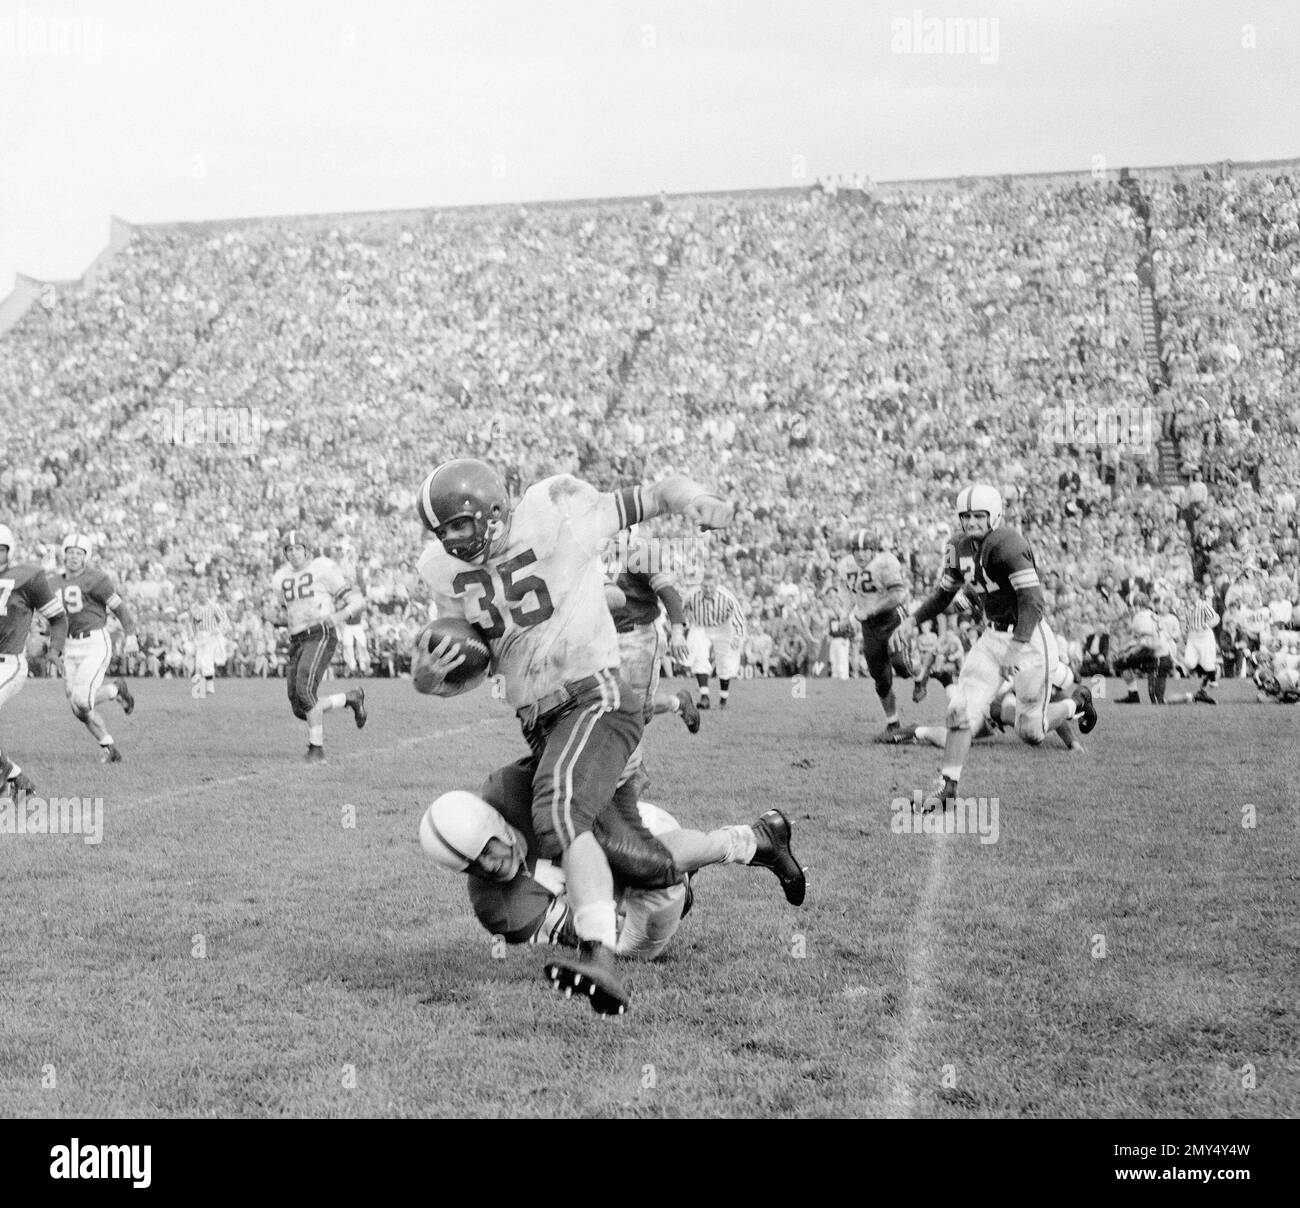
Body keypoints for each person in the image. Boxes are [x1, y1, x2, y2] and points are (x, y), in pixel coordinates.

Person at [412, 457, 734, 1015]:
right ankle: (754, 842)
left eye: (459, 525)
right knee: (634, 857)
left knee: (557, 813)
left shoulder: (552, 513)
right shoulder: (444, 573)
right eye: (441, 531)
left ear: (490, 509)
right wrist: (427, 679)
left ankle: (599, 956)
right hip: (539, 720)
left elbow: (653, 494)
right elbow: (474, 661)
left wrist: (694, 499)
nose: (450, 539)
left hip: (596, 696)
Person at [419, 756, 805, 962]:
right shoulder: (497, 909)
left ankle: (753, 841)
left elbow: (581, 761)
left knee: (637, 854)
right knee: (627, 932)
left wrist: (623, 783)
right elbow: (591, 929)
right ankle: (694, 873)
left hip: (637, 832)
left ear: (496, 824)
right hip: (622, 912)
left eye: (487, 850)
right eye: (472, 866)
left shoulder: (514, 787)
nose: (488, 866)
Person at [895, 484, 1097, 813]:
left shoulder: (1009, 544)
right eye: (966, 515)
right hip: (992, 637)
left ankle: (1078, 701)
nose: (972, 521)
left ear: (995, 516)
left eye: (979, 515)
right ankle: (948, 786)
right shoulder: (955, 546)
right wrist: (912, 620)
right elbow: (944, 595)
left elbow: (1033, 603)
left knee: (1031, 732)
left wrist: (1016, 648)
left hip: (1028, 639)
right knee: (959, 710)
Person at [271, 529, 367, 761]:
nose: (293, 554)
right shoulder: (280, 577)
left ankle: (316, 749)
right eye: (289, 549)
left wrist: (338, 616)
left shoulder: (322, 568)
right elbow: (288, 613)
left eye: (297, 548)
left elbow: (358, 601)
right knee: (299, 705)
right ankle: (350, 698)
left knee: (305, 692)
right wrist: (275, 619)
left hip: (320, 633)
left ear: (307, 549)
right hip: (297, 639)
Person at [604, 529, 698, 733]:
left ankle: (632, 764)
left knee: (637, 709)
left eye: (620, 529)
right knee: (611, 701)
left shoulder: (637, 557)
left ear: (629, 534)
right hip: (611, 637)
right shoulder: (601, 560)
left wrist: (678, 632)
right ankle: (678, 703)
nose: (613, 533)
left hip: (641, 635)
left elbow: (669, 592)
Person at [0, 523, 68, 795]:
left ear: (10, 551)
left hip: (9, 662)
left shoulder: (28, 576)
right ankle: (18, 779)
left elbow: (58, 618)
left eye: (0, 549)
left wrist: (54, 650)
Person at [58, 533, 136, 763]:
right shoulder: (53, 582)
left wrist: (130, 634)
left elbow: (119, 608)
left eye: (78, 553)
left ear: (86, 557)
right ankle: (109, 745)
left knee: (82, 700)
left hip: (94, 642)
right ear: (63, 554)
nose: (73, 557)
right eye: (70, 552)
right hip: (70, 644)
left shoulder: (97, 579)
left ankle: (115, 692)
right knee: (76, 704)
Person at [838, 530, 913, 738]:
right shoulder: (846, 567)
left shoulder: (886, 563)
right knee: (880, 678)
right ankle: (893, 723)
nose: (861, 554)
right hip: (869, 627)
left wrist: (870, 610)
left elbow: (897, 595)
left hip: (892, 620)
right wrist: (845, 616)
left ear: (874, 550)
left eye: (866, 549)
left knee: (903, 665)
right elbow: (847, 595)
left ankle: (938, 673)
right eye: (857, 550)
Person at [681, 569, 747, 710]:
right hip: (701, 626)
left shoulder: (727, 597)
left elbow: (739, 617)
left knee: (725, 659)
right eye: (705, 586)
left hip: (723, 627)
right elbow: (682, 610)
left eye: (711, 586)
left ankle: (723, 699)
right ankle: (704, 697)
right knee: (699, 656)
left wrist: (737, 637)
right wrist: (684, 624)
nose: (708, 589)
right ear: (701, 586)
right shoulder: (693, 596)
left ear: (717, 585)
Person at [190, 589, 230, 696]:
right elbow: (193, 622)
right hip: (200, 636)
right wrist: (193, 634)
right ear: (197, 596)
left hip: (211, 635)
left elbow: (224, 619)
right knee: (199, 662)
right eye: (200, 594)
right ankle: (200, 688)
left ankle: (210, 688)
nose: (202, 596)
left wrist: (218, 629)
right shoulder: (194, 607)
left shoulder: (214, 606)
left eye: (204, 594)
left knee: (207, 660)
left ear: (207, 595)